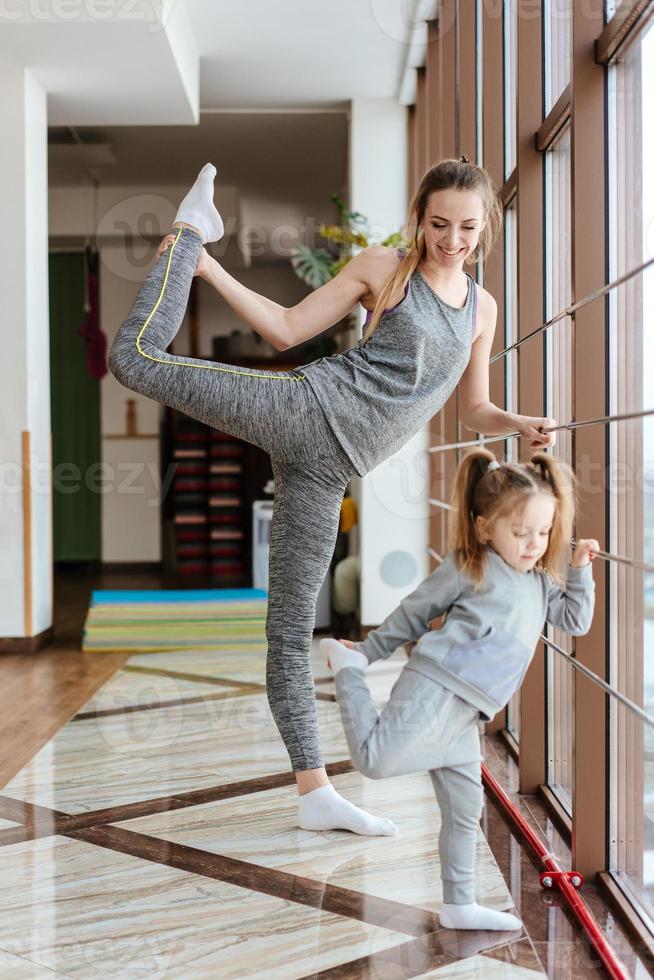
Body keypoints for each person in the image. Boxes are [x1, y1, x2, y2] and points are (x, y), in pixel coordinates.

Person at [108, 158, 558, 837]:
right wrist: (210, 269)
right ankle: (190, 237)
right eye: (439, 224)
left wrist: (516, 423)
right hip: (304, 409)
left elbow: (472, 408)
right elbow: (288, 329)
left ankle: (314, 792)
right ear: (420, 218)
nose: (452, 240)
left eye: (467, 227)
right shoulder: (386, 270)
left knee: (291, 632)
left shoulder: (483, 310)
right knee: (134, 360)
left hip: (328, 471)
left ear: (485, 226)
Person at [320, 448, 598, 929]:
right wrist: (365, 654)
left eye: (543, 532)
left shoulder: (539, 582)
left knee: (465, 811)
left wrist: (579, 568)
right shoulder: (471, 564)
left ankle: (459, 904)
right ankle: (346, 671)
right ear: (485, 527)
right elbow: (414, 611)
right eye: (520, 532)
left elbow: (575, 619)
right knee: (376, 761)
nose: (533, 544)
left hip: (466, 716)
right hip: (435, 688)